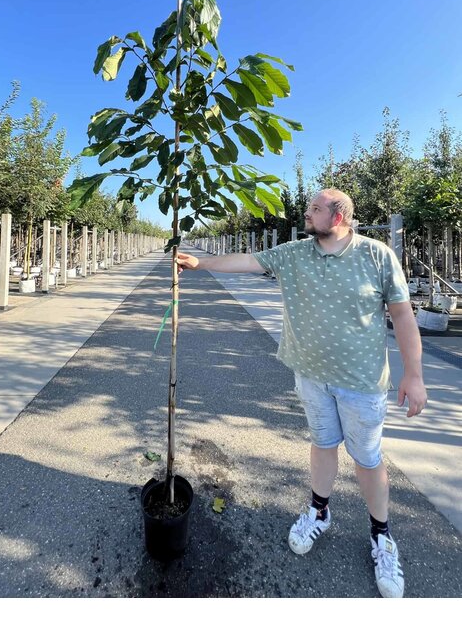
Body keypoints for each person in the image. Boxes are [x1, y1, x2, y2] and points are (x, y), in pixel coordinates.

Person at [177, 189, 426, 599]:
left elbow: (401, 313)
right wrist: (200, 262)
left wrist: (413, 374)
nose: (306, 213)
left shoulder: (377, 255)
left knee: (367, 458)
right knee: (322, 444)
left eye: (314, 208)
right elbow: (248, 261)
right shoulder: (296, 253)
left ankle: (381, 537)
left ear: (339, 214)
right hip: (310, 376)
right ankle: (318, 511)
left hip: (361, 383)